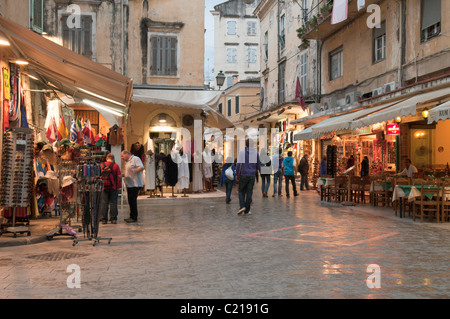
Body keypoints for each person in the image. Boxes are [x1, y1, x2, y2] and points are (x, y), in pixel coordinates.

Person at [236, 139, 260, 215]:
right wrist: (253, 170)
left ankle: (242, 206)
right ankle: (247, 210)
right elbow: (258, 165)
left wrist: (237, 174)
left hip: (244, 174)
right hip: (252, 175)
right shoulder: (256, 153)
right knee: (249, 192)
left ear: (246, 144)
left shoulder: (242, 153)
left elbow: (238, 164)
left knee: (241, 191)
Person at [121, 150, 144, 223]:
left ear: (127, 154)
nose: (122, 158)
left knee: (133, 200)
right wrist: (123, 175)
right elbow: (127, 172)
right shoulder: (127, 162)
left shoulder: (135, 159)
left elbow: (141, 167)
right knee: (130, 201)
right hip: (129, 184)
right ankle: (131, 215)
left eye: (122, 156)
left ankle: (134, 217)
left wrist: (134, 170)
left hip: (135, 183)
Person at [99, 153, 122, 224]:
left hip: (104, 187)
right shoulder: (116, 165)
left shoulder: (101, 165)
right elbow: (119, 176)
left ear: (106, 158)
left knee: (104, 203)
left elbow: (98, 176)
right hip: (113, 187)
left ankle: (104, 219)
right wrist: (118, 186)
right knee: (113, 203)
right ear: (113, 159)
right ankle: (113, 219)